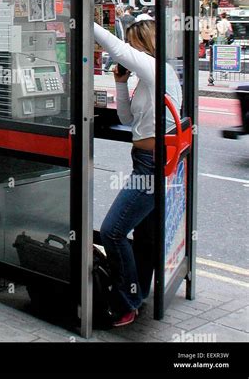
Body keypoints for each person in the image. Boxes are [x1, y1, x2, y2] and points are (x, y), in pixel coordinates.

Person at [94, 19, 182, 327]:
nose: (128, 50)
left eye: (133, 43)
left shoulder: (156, 70)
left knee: (112, 231)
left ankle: (126, 302)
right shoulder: (149, 79)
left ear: (145, 44)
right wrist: (120, 83)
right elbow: (126, 117)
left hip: (152, 164)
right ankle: (138, 291)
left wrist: (78, 12)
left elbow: (115, 47)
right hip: (144, 160)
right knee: (143, 235)